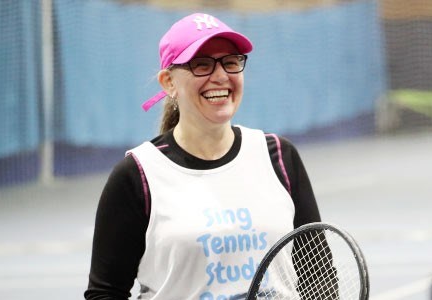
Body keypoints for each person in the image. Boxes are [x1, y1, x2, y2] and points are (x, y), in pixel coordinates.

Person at [85, 13, 323, 299]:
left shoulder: (280, 157)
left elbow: (318, 276)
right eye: (202, 65)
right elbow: (105, 293)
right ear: (168, 82)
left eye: (231, 62)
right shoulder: (138, 175)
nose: (221, 76)